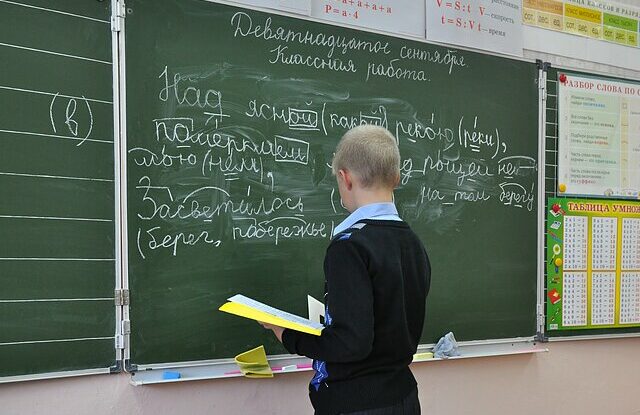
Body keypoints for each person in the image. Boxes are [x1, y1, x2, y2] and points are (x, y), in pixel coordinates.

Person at [262, 125, 431, 415]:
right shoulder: (412, 242)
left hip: (356, 403)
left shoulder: (349, 246)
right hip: (403, 396)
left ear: (345, 178)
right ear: (396, 177)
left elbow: (351, 343)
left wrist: (287, 334)